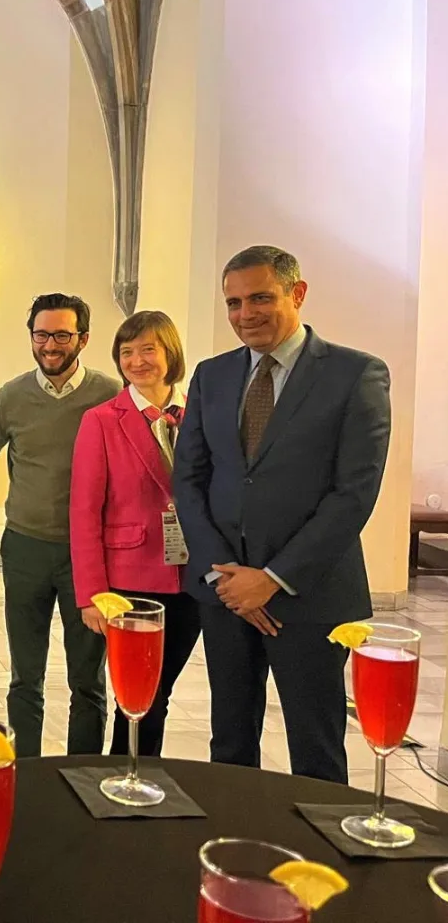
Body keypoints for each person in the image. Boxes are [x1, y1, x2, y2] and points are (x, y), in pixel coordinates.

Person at [173, 245, 391, 784]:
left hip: (309, 597)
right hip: (224, 595)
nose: (245, 314)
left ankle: (318, 862)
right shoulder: (212, 376)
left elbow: (353, 494)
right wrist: (227, 577)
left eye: (260, 298)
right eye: (234, 302)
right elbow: (190, 480)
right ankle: (233, 852)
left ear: (297, 294)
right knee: (229, 741)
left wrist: (270, 580)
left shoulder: (354, 374)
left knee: (315, 750)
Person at [0, 293, 120, 758]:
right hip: (24, 548)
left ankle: (82, 774)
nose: (51, 345)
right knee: (26, 676)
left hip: (88, 557)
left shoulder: (110, 394)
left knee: (87, 678)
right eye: (42, 334)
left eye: (62, 335)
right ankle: (26, 776)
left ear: (83, 338)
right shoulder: (12, 396)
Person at [70, 310, 202, 757]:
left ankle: (143, 775)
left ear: (170, 353)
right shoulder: (103, 420)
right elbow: (84, 511)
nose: (137, 360)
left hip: (193, 577)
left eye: (148, 349)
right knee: (135, 695)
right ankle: (122, 777)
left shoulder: (200, 414)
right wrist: (90, 593)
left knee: (160, 692)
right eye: (127, 352)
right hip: (130, 579)